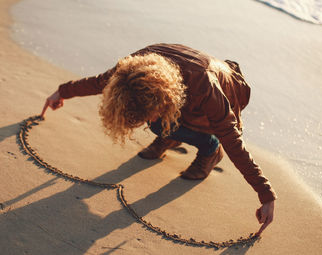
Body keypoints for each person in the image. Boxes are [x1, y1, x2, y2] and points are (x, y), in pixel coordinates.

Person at [41, 43, 277, 236]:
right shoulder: (132, 71)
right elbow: (99, 82)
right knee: (156, 123)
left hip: (224, 92)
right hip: (181, 95)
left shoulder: (204, 86)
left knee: (186, 128)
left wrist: (265, 194)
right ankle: (171, 136)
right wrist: (61, 92)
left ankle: (209, 150)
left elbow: (231, 136)